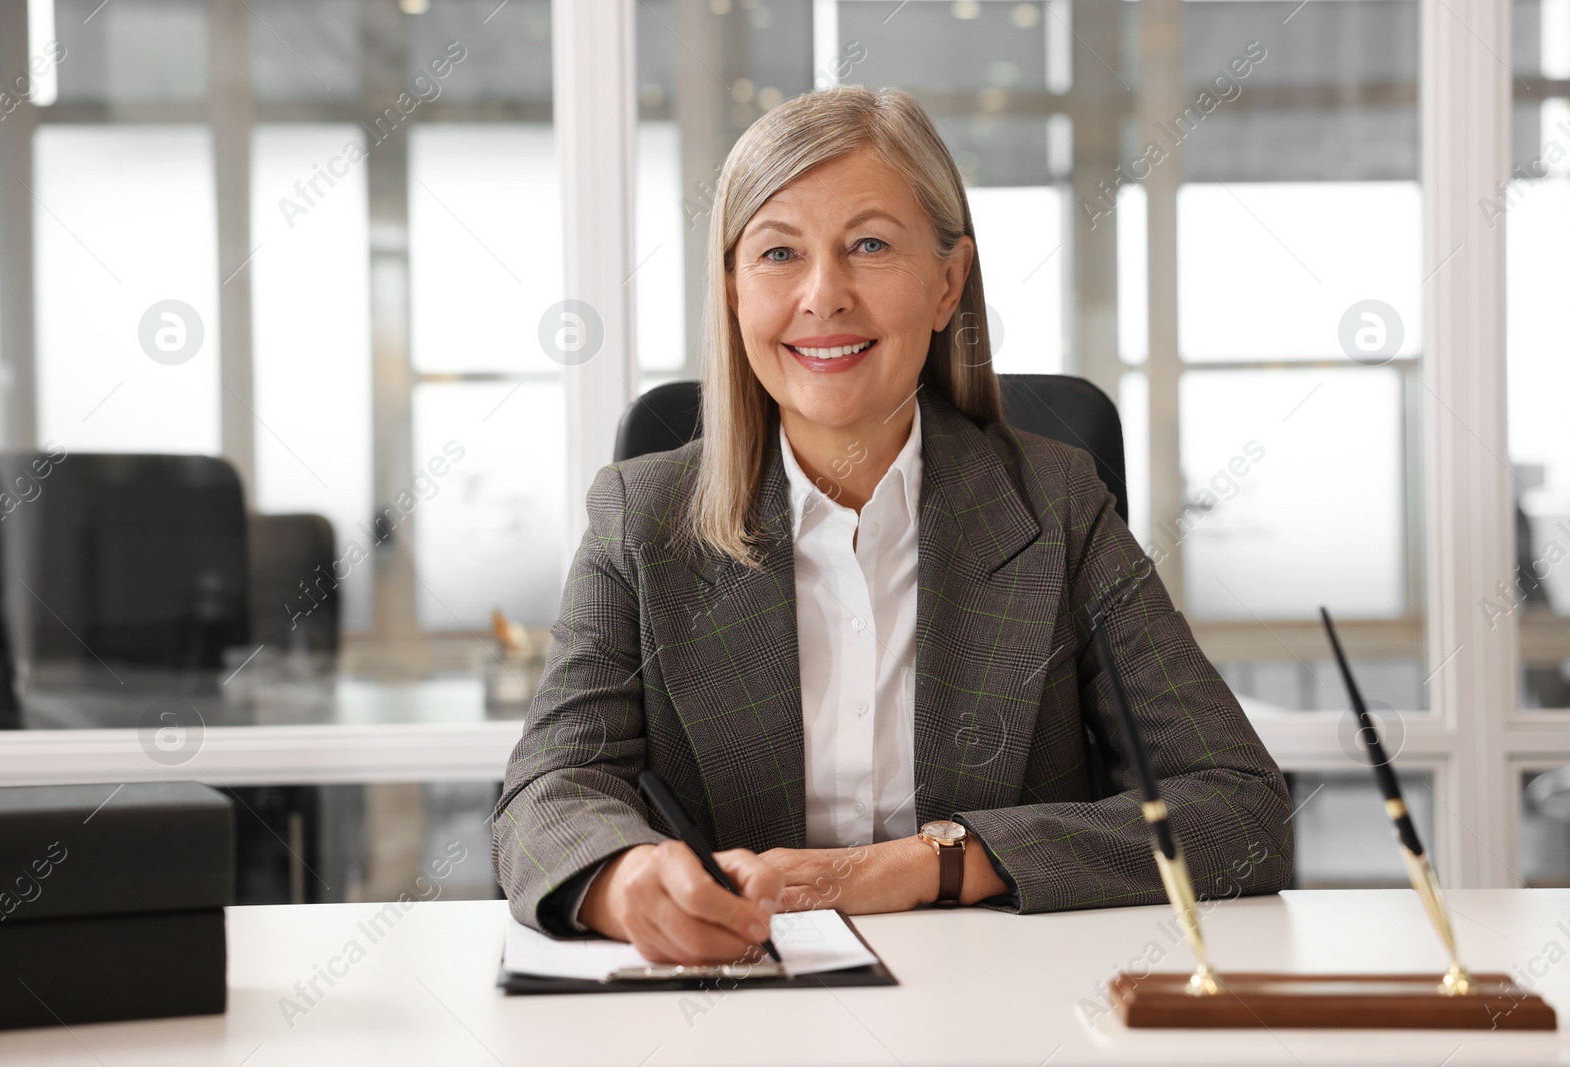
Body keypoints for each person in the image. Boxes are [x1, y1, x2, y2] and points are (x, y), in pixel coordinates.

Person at [492, 84, 1292, 966]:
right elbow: (546, 791)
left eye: (869, 245)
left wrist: (933, 865)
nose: (823, 295)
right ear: (732, 292)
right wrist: (620, 877)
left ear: (948, 282)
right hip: (733, 1016)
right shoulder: (641, 518)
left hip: (1005, 1007)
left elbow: (1239, 806)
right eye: (779, 253)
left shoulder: (1057, 503)